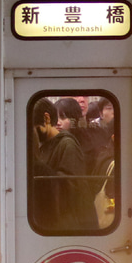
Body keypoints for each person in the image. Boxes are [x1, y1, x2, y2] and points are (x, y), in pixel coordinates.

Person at [31, 97, 97, 230]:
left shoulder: (67, 145)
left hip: (69, 223)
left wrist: (39, 170)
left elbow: (70, 188)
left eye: (35, 128)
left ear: (47, 119)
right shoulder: (45, 146)